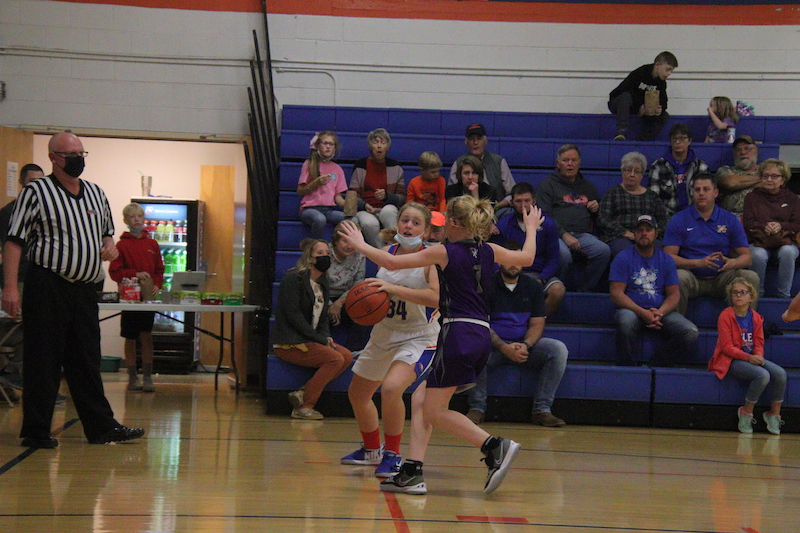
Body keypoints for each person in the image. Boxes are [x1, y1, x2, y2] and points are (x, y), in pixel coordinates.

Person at [339, 195, 544, 495]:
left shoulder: (444, 251)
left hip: (456, 333)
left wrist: (360, 244)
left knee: (431, 411)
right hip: (481, 334)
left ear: (453, 222)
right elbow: (526, 258)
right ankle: (412, 471)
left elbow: (392, 262)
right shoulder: (489, 250)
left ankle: (494, 445)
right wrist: (531, 229)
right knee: (422, 401)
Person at [2, 132, 145, 448]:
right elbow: (14, 242)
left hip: (84, 290)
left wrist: (110, 247)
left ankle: (101, 427)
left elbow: (107, 235)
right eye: (71, 155)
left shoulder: (95, 193)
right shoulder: (37, 192)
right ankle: (36, 431)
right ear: (53, 158)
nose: (78, 159)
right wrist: (10, 287)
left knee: (87, 358)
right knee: (43, 358)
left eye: (82, 153)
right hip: (48, 285)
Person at [341, 203, 439, 479]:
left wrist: (394, 288)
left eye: (416, 223)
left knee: (392, 388)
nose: (408, 226)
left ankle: (393, 455)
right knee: (358, 394)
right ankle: (372, 449)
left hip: (418, 335)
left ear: (426, 230)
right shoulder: (386, 252)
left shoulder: (432, 259)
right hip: (384, 332)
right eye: (405, 220)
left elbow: (437, 298)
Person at [466, 241, 568, 427]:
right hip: (493, 347)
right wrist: (504, 347)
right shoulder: (485, 285)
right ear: (499, 261)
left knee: (557, 349)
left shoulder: (533, 286)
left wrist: (526, 345)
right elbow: (481, 324)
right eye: (509, 259)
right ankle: (477, 408)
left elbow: (537, 323)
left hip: (523, 347)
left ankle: (542, 410)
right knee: (474, 346)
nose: (514, 264)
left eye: (518, 259)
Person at [272, 239, 354, 420]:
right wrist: (319, 339)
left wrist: (326, 337)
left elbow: (323, 316)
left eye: (327, 254)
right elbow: (294, 317)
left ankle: (302, 393)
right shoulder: (294, 279)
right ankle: (304, 407)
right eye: (320, 254)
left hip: (310, 339)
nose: (325, 257)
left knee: (346, 356)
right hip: (291, 341)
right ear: (309, 258)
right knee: (335, 359)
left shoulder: (323, 281)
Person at [662, 173, 760, 315]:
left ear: (715, 193)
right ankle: (676, 324)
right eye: (697, 190)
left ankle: (744, 325)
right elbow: (668, 257)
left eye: (706, 189)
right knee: (677, 277)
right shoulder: (679, 219)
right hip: (691, 276)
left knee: (750, 277)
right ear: (692, 193)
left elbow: (747, 258)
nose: (701, 193)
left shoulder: (730, 219)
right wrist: (697, 263)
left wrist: (732, 263)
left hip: (722, 278)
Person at [609, 215, 698, 366]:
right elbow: (616, 294)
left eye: (648, 230)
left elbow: (674, 294)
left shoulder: (666, 260)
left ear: (656, 234)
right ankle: (626, 368)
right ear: (634, 234)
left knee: (690, 331)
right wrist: (643, 313)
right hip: (632, 311)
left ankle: (655, 366)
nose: (644, 233)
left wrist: (660, 313)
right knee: (626, 321)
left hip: (660, 313)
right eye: (640, 230)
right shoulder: (623, 258)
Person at [708, 277, 786, 435]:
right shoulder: (726, 316)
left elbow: (759, 342)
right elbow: (726, 348)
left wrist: (758, 355)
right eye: (735, 292)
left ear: (751, 297)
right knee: (762, 375)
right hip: (730, 360)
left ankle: (774, 414)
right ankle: (746, 412)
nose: (738, 295)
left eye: (742, 292)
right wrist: (749, 358)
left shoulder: (756, 317)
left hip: (750, 357)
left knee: (780, 374)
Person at [536, 144, 610, 293]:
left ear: (579, 163)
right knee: (563, 255)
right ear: (558, 163)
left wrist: (595, 208)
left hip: (582, 234)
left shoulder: (587, 186)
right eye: (565, 160)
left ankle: (584, 291)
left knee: (603, 251)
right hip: (555, 234)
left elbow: (597, 217)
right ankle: (557, 289)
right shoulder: (547, 185)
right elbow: (544, 216)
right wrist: (564, 234)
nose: (570, 164)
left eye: (574, 160)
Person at [108, 203, 165, 392]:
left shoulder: (152, 244)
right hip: (129, 298)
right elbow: (115, 272)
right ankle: (132, 377)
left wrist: (157, 285)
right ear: (126, 221)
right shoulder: (121, 245)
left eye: (140, 216)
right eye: (132, 217)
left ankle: (147, 376)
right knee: (130, 337)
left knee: (146, 335)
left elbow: (159, 270)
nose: (137, 220)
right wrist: (134, 274)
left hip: (147, 299)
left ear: (144, 218)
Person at [0, 163, 44, 397]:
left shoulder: (45, 210)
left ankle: (13, 376)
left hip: (39, 277)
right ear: (21, 183)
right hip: (18, 279)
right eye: (32, 183)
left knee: (39, 328)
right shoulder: (8, 213)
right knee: (30, 328)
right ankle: (12, 371)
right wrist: (9, 286)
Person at [494, 182, 565, 316]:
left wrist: (542, 279)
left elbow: (554, 259)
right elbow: (495, 257)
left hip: (538, 273)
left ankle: (536, 321)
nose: (523, 205)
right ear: (512, 203)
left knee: (558, 290)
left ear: (534, 201)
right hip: (509, 272)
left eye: (527, 201)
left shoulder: (548, 224)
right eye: (518, 201)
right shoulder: (503, 225)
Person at [742, 159, 800, 299]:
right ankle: (757, 294)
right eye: (765, 176)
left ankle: (784, 295)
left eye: (774, 176)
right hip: (758, 241)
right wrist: (765, 226)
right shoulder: (751, 197)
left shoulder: (793, 199)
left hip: (785, 241)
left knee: (788, 252)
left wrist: (780, 226)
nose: (769, 179)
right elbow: (748, 223)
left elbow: (797, 224)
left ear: (783, 179)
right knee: (757, 255)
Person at [598, 152, 669, 257]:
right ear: (622, 172)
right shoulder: (612, 193)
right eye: (628, 170)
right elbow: (603, 219)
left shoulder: (652, 196)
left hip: (647, 236)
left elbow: (663, 221)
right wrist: (624, 232)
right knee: (626, 252)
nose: (632, 175)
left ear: (642, 175)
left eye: (637, 171)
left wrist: (652, 234)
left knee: (657, 250)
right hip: (620, 237)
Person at [349, 128, 405, 248]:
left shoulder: (396, 167)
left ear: (387, 147)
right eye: (376, 142)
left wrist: (387, 196)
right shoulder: (360, 166)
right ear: (370, 146)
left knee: (389, 211)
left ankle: (394, 248)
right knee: (369, 223)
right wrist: (364, 205)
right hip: (366, 209)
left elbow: (402, 198)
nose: (379, 146)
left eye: (383, 142)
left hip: (386, 207)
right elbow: (353, 195)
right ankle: (380, 252)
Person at [448, 124, 515, 218]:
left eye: (479, 139)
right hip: (463, 213)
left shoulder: (498, 161)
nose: (475, 142)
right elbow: (452, 195)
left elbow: (512, 194)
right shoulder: (458, 163)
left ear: (485, 141)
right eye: (471, 139)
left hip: (496, 210)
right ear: (466, 142)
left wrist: (496, 206)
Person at [608, 51, 677, 141]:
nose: (669, 73)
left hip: (641, 109)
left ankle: (641, 140)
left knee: (665, 116)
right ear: (657, 65)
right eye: (667, 69)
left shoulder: (661, 83)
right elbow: (624, 90)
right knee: (626, 96)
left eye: (671, 71)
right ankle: (621, 132)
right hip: (619, 103)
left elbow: (663, 101)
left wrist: (660, 109)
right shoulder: (640, 72)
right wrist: (639, 106)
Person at [648, 123, 709, 217]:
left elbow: (707, 197)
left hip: (696, 216)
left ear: (689, 141)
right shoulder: (658, 166)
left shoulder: (701, 167)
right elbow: (653, 199)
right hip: (667, 217)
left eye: (682, 138)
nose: (677, 142)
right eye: (674, 139)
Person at [326, 221, 369, 350]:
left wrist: (339, 303)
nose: (349, 246)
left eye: (352, 242)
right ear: (336, 241)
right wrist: (330, 305)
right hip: (322, 295)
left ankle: (355, 349)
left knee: (364, 306)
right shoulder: (325, 252)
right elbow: (316, 283)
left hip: (346, 297)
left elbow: (358, 284)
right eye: (345, 241)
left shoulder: (360, 255)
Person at [297, 131, 348, 239]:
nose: (328, 147)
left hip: (328, 210)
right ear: (318, 145)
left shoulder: (337, 169)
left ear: (335, 148)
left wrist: (345, 204)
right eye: (325, 143)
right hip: (309, 208)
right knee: (319, 219)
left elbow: (337, 196)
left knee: (351, 220)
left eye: (331, 144)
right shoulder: (309, 164)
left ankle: (339, 246)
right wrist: (316, 183)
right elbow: (300, 191)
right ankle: (317, 245)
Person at [717, 135, 761, 218]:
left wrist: (740, 184)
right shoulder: (726, 170)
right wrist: (761, 178)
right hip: (731, 218)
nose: (743, 152)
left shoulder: (765, 170)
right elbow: (730, 183)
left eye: (747, 149)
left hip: (759, 218)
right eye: (738, 150)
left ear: (756, 151)